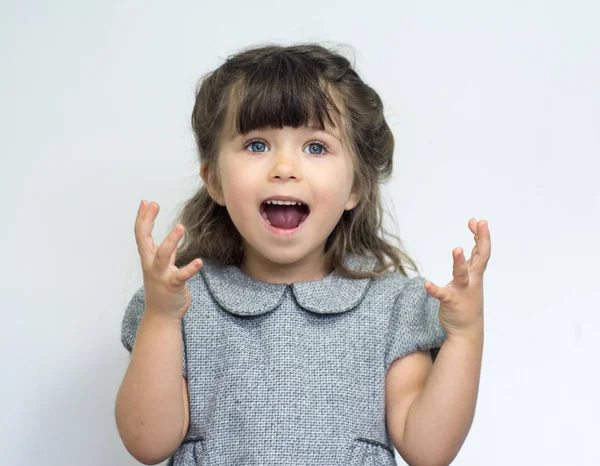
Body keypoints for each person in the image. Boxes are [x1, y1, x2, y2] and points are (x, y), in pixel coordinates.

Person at [115, 43, 491, 466]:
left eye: (315, 147)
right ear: (214, 181)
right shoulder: (182, 304)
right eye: (257, 145)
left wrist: (465, 333)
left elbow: (429, 449)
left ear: (355, 187)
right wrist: (162, 318)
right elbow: (148, 443)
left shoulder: (391, 309)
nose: (285, 167)